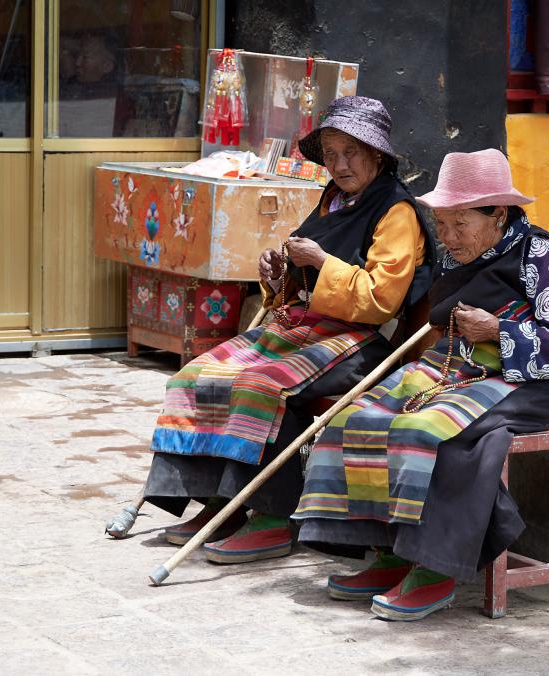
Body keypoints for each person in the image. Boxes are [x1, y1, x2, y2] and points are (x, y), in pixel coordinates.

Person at [292, 148, 549, 621]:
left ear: (498, 214)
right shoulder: (462, 255)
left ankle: (434, 569)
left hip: (519, 382)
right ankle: (391, 549)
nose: (449, 237)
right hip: (452, 370)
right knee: (357, 417)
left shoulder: (542, 255)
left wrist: (499, 331)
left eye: (461, 223)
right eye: (442, 224)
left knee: (423, 431)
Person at [142, 96, 434, 565]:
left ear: (377, 155)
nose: (339, 164)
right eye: (332, 153)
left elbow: (382, 300)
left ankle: (272, 519)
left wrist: (321, 262)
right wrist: (277, 274)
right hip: (304, 326)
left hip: (358, 339)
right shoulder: (332, 200)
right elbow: (299, 287)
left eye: (351, 153)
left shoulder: (396, 211)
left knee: (263, 387)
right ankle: (222, 503)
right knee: (198, 375)